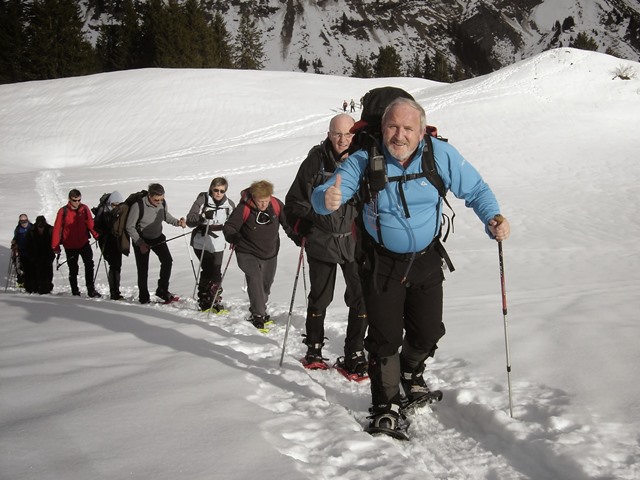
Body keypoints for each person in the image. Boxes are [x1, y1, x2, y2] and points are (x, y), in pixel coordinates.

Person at [311, 97, 511, 437]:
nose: (399, 135)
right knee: (385, 337)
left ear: (421, 132)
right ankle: (384, 405)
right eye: (392, 126)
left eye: (408, 128)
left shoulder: (440, 155)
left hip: (426, 259)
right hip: (380, 263)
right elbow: (328, 191)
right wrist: (326, 198)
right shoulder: (365, 158)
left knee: (429, 332)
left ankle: (409, 371)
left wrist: (492, 217)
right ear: (382, 128)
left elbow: (475, 189)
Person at [284, 113, 368, 375]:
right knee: (320, 298)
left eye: (348, 134)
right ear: (329, 134)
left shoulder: (363, 159)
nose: (343, 140)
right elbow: (293, 201)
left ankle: (354, 353)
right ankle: (314, 349)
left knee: (361, 299)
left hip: (354, 242)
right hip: (322, 241)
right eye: (337, 134)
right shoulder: (315, 162)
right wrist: (309, 222)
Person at [223, 180, 297, 329]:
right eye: (260, 201)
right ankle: (258, 315)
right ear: (254, 198)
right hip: (247, 251)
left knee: (265, 285)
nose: (263, 204)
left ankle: (260, 308)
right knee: (255, 280)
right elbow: (229, 227)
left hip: (270, 252)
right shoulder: (244, 208)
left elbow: (288, 224)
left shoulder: (276, 205)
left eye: (266, 200)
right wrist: (233, 236)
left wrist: (298, 238)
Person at [126, 183, 186, 304]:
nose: (159, 202)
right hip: (141, 239)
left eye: (161, 199)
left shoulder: (162, 203)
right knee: (143, 269)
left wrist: (177, 223)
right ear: (149, 196)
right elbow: (130, 227)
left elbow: (165, 216)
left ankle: (162, 290)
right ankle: (144, 297)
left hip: (157, 237)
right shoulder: (138, 206)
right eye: (156, 199)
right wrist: (140, 243)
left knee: (167, 261)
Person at [186, 177, 235, 311]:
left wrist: (234, 236)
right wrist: (202, 217)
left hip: (219, 241)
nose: (218, 193)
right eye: (216, 190)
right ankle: (204, 298)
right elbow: (190, 220)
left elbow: (233, 223)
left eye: (222, 191)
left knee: (216, 271)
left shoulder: (229, 205)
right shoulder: (202, 200)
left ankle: (214, 298)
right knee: (208, 269)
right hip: (201, 240)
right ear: (211, 189)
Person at [52, 189, 101, 298]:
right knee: (73, 269)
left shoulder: (84, 208)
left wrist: (96, 235)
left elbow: (90, 223)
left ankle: (91, 289)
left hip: (84, 243)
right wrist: (55, 246)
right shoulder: (63, 211)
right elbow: (57, 228)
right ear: (69, 199)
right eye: (75, 200)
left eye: (79, 200)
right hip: (70, 245)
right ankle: (75, 291)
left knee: (89, 265)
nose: (77, 203)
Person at [94, 191, 125, 300]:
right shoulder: (103, 210)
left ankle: (115, 291)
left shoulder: (122, 211)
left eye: (118, 205)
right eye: (114, 205)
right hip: (106, 241)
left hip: (117, 241)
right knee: (114, 265)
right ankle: (115, 292)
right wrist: (105, 232)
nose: (116, 207)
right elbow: (96, 226)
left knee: (117, 265)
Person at [25, 215, 54, 294]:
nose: (41, 228)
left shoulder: (51, 230)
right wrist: (30, 256)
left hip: (47, 255)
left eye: (42, 226)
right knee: (35, 272)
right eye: (39, 226)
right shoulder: (31, 231)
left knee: (48, 273)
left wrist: (52, 255)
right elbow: (27, 244)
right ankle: (36, 288)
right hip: (35, 256)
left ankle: (47, 288)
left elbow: (55, 242)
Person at [11, 214, 32, 291]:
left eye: (25, 220)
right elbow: (15, 238)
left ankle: (31, 285)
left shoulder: (32, 227)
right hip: (21, 253)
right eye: (22, 221)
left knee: (30, 269)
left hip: (31, 253)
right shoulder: (18, 229)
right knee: (20, 269)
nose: (24, 223)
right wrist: (14, 243)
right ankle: (21, 285)